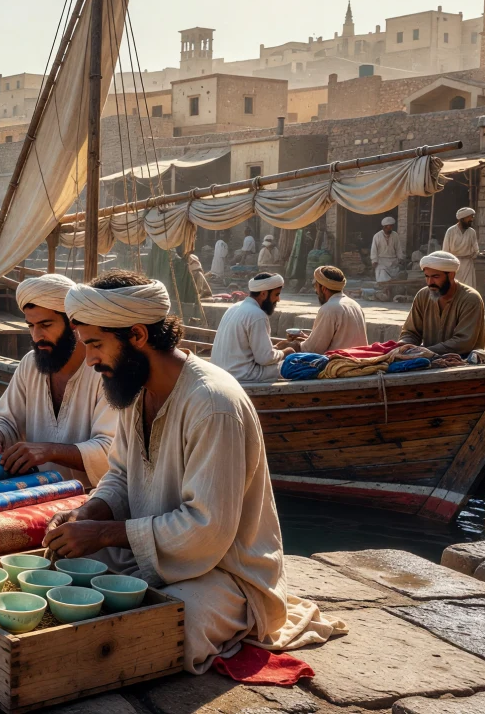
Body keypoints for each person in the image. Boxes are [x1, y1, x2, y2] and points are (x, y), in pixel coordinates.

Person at [44, 271, 343, 673]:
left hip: (224, 575)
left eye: (96, 345)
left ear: (136, 336)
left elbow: (205, 530)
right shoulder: (134, 387)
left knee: (152, 635)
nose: (91, 360)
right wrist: (90, 513)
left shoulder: (212, 404)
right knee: (58, 578)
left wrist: (103, 534)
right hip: (155, 553)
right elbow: (120, 475)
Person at [0, 273, 115, 486]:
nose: (37, 336)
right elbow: (6, 420)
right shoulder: (30, 364)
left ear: (73, 324)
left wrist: (50, 451)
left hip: (92, 502)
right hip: (35, 493)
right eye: (31, 326)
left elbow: (109, 452)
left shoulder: (103, 371)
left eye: (46, 325)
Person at [400, 251, 485, 356]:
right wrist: (403, 345)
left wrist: (424, 351)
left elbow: (463, 342)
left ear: (451, 275)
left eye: (435, 277)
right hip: (429, 360)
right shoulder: (423, 295)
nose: (430, 282)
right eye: (427, 276)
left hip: (464, 362)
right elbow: (411, 332)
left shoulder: (470, 299)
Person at [210, 273, 292, 382]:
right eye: (276, 294)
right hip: (242, 376)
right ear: (263, 294)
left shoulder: (234, 307)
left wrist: (275, 349)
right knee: (293, 364)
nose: (278, 299)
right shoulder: (257, 315)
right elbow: (264, 358)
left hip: (220, 373)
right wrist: (286, 352)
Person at [287, 266, 368, 354]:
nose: (315, 291)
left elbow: (313, 349)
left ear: (323, 288)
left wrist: (295, 345)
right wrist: (306, 338)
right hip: (358, 359)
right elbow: (340, 341)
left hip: (338, 363)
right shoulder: (354, 304)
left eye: (316, 286)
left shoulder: (329, 309)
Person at [441, 208, 480, 289]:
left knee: (468, 289)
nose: (472, 219)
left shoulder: (472, 232)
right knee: (453, 289)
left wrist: (472, 255)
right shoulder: (451, 231)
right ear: (463, 218)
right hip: (453, 265)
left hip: (467, 265)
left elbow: (476, 250)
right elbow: (445, 251)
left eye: (472, 217)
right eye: (470, 217)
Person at [371, 217, 405, 283]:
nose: (390, 229)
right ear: (384, 227)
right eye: (388, 228)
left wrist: (400, 258)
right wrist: (374, 260)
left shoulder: (395, 235)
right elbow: (374, 250)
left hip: (393, 262)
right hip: (381, 262)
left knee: (394, 281)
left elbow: (398, 248)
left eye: (391, 227)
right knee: (383, 279)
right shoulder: (377, 236)